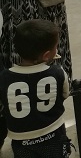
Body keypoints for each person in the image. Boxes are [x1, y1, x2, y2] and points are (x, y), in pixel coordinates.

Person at [0, 19, 72, 158]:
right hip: (53, 134)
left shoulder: (4, 77)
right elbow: (65, 93)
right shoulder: (57, 72)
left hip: (21, 140)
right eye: (56, 47)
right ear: (46, 55)